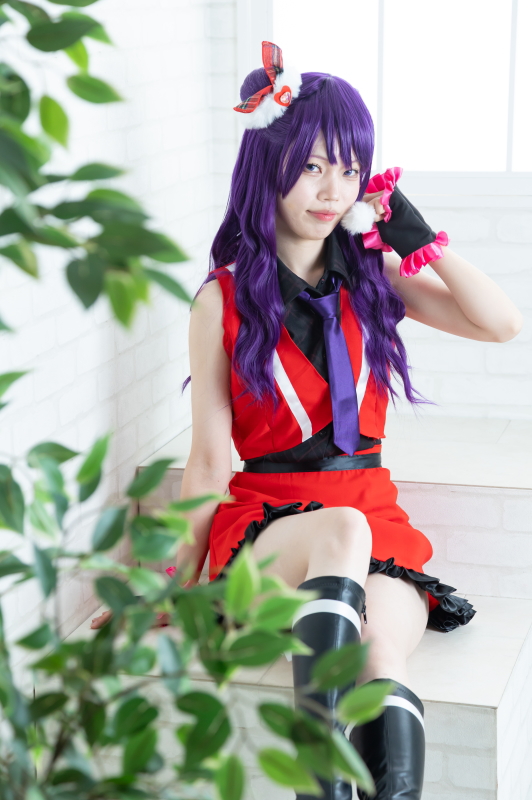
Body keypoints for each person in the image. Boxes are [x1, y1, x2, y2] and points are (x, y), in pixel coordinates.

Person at [92, 41, 523, 800]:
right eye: (315, 165)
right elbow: (207, 462)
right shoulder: (221, 300)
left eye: (350, 169)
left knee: (380, 656)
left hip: (371, 517)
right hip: (268, 530)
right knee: (341, 532)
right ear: (271, 165)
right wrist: (169, 591)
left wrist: (419, 242)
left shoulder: (374, 280)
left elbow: (501, 324)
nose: (333, 189)